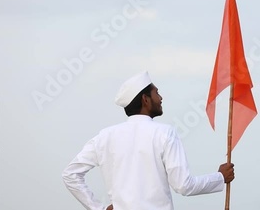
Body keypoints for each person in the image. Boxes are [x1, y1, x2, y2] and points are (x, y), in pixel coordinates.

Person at [62, 71, 235, 210]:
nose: (161, 98)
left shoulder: (105, 136)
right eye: (157, 93)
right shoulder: (165, 133)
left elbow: (70, 174)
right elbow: (183, 186)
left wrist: (96, 208)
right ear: (145, 99)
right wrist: (220, 177)